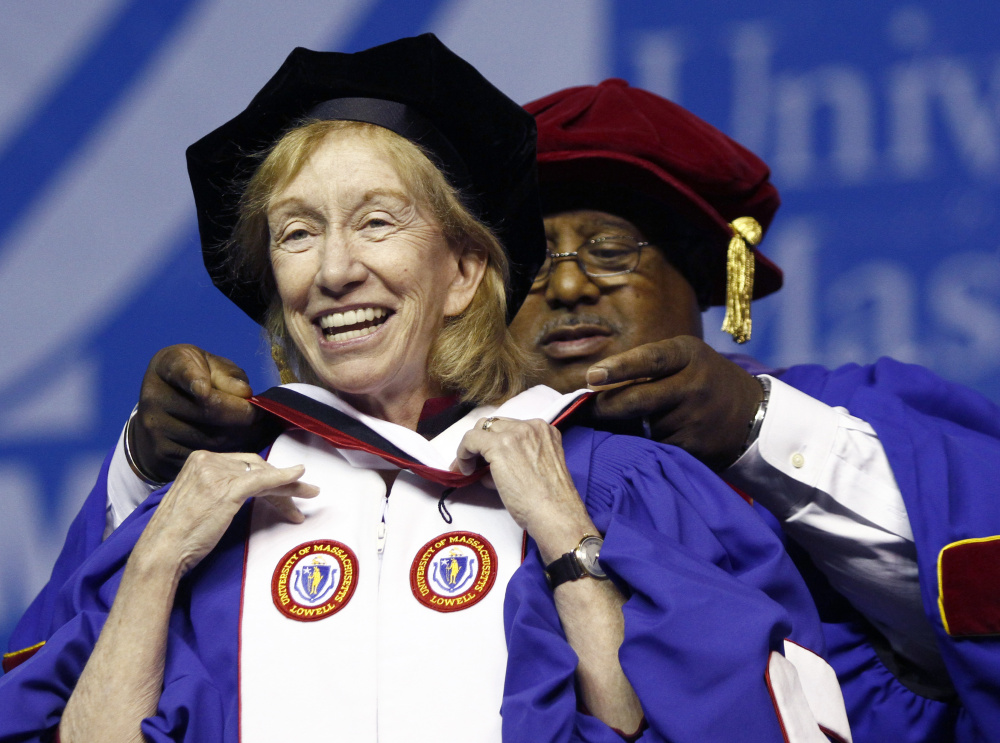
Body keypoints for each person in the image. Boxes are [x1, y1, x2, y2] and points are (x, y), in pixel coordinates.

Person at [54, 78, 1000, 742]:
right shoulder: (351, 472)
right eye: (536, 261)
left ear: (714, 283)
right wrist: (146, 464)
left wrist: (755, 427)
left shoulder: (815, 431)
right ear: (475, 280)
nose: (571, 285)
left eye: (612, 247)